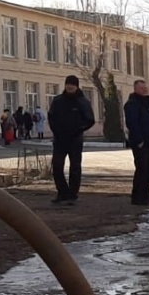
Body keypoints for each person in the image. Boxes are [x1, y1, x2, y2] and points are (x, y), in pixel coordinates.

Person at [48, 75, 95, 205]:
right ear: (65, 85)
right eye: (68, 84)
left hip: (75, 140)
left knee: (75, 167)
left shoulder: (82, 102)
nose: (70, 86)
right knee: (57, 166)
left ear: (76, 86)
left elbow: (90, 120)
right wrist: (56, 131)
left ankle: (72, 194)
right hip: (60, 140)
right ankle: (62, 192)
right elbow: (51, 117)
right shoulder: (58, 101)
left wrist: (78, 129)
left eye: (73, 84)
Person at [124, 79, 149, 205]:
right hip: (141, 143)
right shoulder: (132, 104)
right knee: (142, 169)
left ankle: (146, 193)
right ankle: (138, 196)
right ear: (135, 89)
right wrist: (139, 140)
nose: (144, 90)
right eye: (141, 88)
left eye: (145, 88)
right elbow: (132, 123)